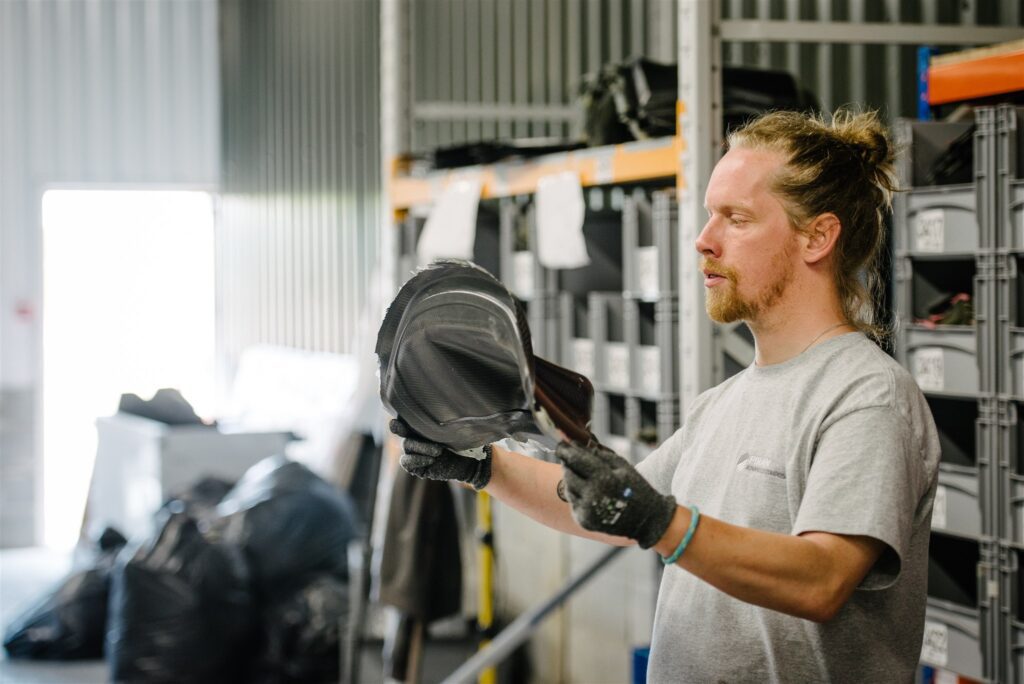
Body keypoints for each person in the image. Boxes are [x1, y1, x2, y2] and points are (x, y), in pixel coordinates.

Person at [390, 109, 940, 682]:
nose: (704, 240)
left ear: (817, 237)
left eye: (737, 218)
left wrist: (662, 523)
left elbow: (822, 578)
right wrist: (480, 465)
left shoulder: (867, 396)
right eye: (709, 216)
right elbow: (605, 508)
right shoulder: (723, 403)